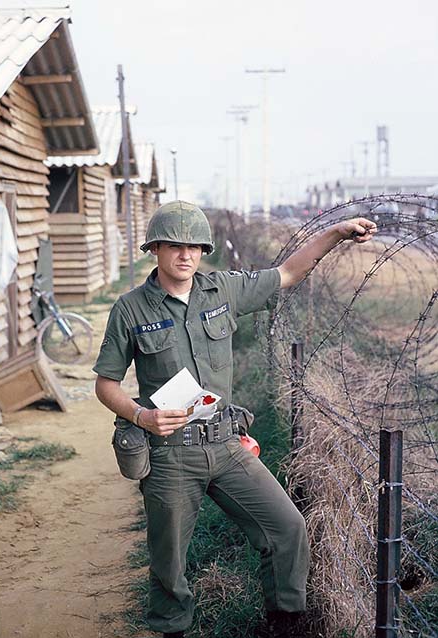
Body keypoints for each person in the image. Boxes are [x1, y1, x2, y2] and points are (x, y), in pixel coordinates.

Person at [94, 201, 376, 638]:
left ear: (204, 250)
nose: (184, 255)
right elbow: (105, 384)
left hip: (226, 446)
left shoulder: (223, 289)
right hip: (170, 455)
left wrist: (336, 233)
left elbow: (287, 273)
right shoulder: (131, 310)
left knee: (287, 527)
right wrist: (141, 415)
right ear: (154, 249)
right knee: (169, 563)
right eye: (173, 245)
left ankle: (283, 623)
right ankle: (174, 630)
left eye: (193, 246)